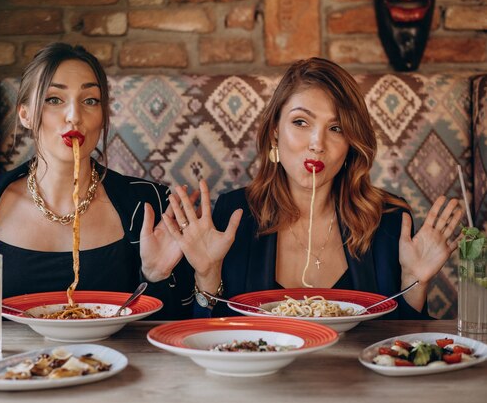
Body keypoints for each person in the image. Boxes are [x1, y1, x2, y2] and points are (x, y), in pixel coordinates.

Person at [0, 42, 194, 321]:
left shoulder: (149, 204)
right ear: (25, 114)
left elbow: (180, 331)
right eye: (54, 99)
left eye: (90, 100)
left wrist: (155, 276)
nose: (74, 116)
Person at [163, 57, 464, 319]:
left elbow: (400, 346)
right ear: (274, 132)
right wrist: (207, 275)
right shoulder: (234, 214)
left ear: (351, 144)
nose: (317, 144)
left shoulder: (388, 219)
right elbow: (217, 335)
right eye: (301, 122)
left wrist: (414, 281)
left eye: (336, 128)